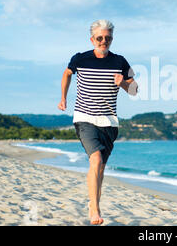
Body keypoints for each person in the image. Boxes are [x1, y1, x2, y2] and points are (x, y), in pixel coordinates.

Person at [58, 19, 138, 225]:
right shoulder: (80, 59)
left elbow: (135, 89)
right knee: (95, 160)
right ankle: (94, 209)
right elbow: (67, 74)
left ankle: (94, 203)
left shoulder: (120, 62)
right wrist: (63, 98)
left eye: (108, 38)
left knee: (100, 168)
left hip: (109, 122)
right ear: (92, 39)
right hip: (84, 117)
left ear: (112, 39)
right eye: (100, 38)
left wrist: (124, 84)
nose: (104, 41)